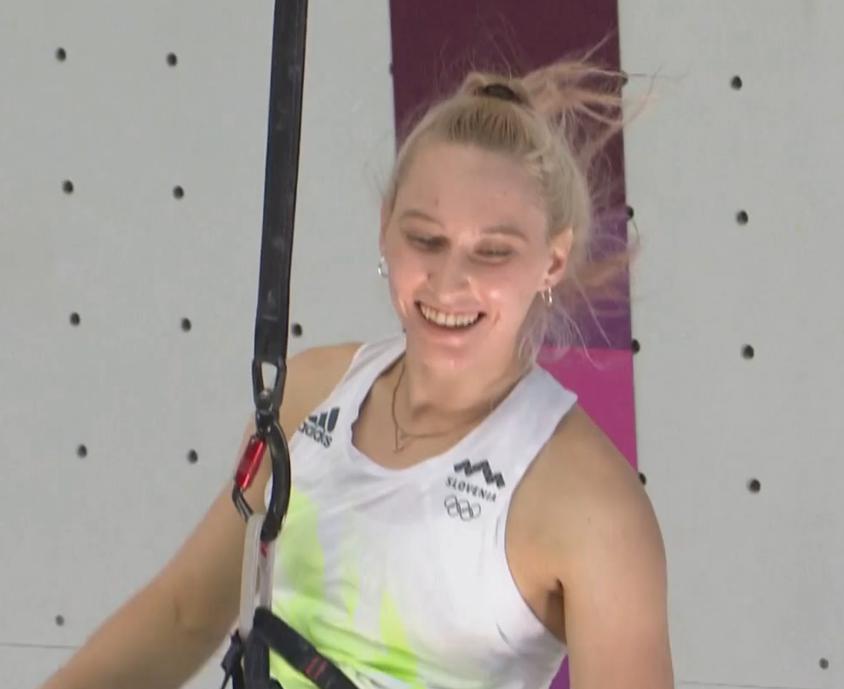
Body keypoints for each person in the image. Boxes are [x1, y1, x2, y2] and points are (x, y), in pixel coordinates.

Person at [40, 57, 674, 689]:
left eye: (493, 252)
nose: (450, 282)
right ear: (385, 226)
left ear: (552, 260)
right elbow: (184, 614)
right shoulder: (308, 393)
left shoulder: (591, 503)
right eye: (425, 240)